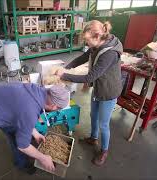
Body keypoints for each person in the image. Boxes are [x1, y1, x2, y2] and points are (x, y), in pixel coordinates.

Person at [56, 20, 123, 166]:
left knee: (103, 124)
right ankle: (93, 138)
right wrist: (66, 68)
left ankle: (104, 150)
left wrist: (64, 76)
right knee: (93, 115)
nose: (86, 43)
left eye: (87, 40)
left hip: (109, 91)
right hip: (99, 87)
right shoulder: (96, 46)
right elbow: (82, 58)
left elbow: (89, 77)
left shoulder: (109, 53)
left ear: (97, 36)